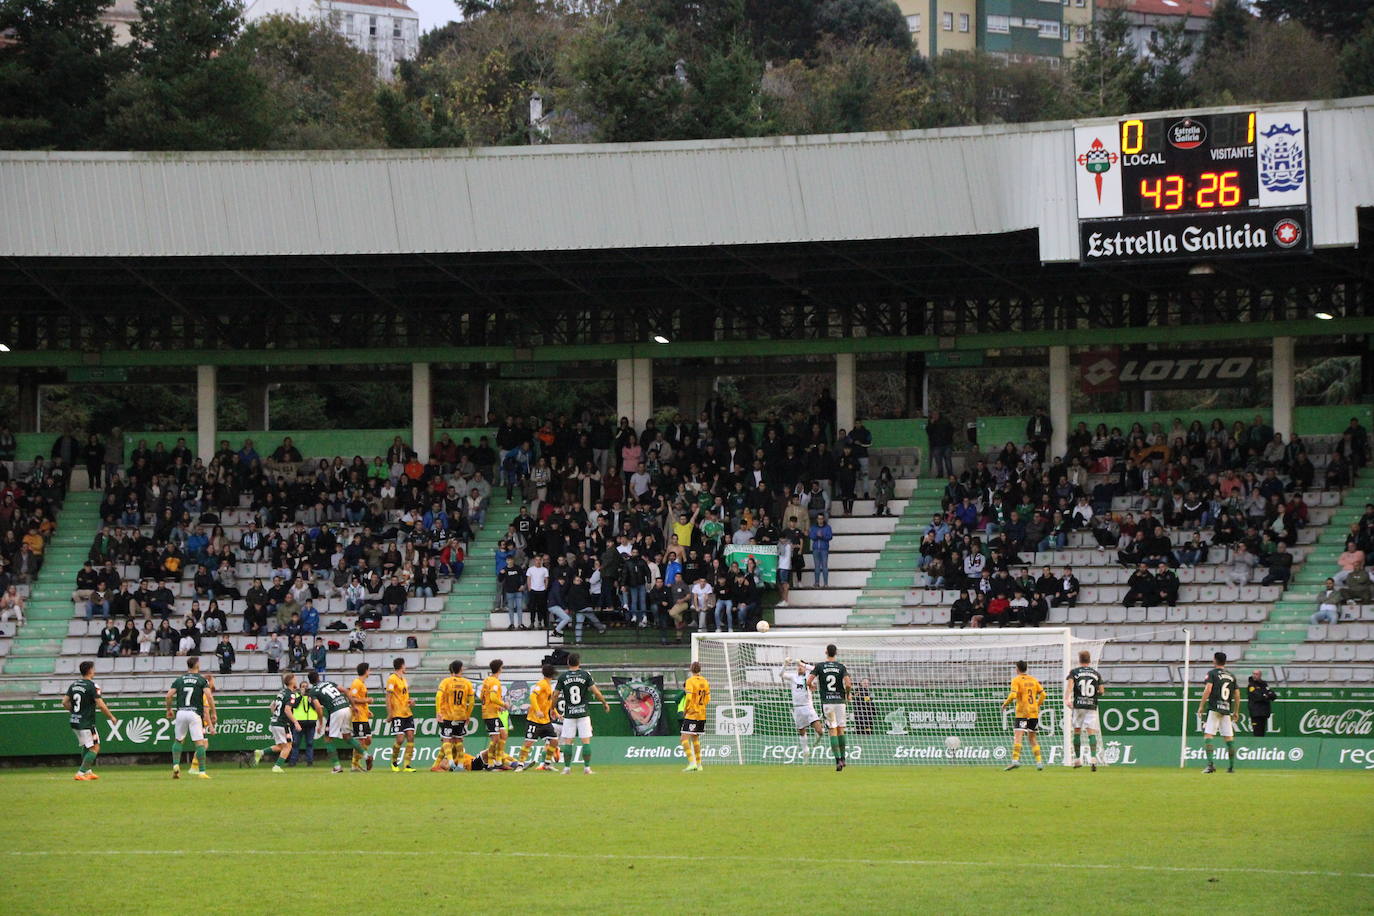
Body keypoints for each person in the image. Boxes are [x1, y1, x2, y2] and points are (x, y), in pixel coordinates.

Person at [553, 652, 610, 775]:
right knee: (586, 741)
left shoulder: (563, 677)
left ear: (568, 663)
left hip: (569, 714)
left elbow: (555, 695)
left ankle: (567, 768)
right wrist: (604, 703)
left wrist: (552, 708)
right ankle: (587, 768)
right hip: (583, 713)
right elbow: (596, 692)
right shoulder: (585, 675)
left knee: (568, 741)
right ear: (579, 663)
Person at [304, 671, 371, 774]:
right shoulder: (329, 683)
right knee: (347, 736)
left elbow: (318, 707)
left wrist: (320, 722)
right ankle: (366, 756)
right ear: (318, 677)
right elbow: (346, 691)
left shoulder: (313, 691)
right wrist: (353, 706)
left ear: (310, 681)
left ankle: (337, 766)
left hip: (335, 711)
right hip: (345, 707)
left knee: (328, 739)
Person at [63, 660, 117, 781]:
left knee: (87, 746)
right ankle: (80, 773)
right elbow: (101, 705)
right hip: (86, 723)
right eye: (94, 668)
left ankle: (88, 771)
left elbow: (64, 702)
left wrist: (75, 712)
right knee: (95, 748)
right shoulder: (93, 686)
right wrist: (111, 717)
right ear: (90, 670)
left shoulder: (74, 685)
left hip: (75, 721)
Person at [165, 657, 215, 780]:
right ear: (197, 665)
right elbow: (209, 696)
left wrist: (169, 709)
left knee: (178, 741)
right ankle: (201, 771)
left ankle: (176, 765)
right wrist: (214, 712)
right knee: (199, 743)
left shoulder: (180, 680)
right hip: (194, 713)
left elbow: (168, 695)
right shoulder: (201, 680)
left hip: (181, 712)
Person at [807, 643, 852, 771]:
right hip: (840, 702)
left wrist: (812, 687)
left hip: (827, 702)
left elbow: (808, 681)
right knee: (841, 729)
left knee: (832, 730)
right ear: (835, 653)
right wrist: (847, 695)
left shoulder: (819, 666)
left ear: (826, 652)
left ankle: (837, 760)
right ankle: (843, 758)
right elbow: (848, 684)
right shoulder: (841, 666)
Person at [1198, 651, 1239, 774]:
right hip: (1226, 709)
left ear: (1215, 660)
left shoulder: (1212, 674)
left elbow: (1208, 689)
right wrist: (1236, 711)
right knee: (1228, 738)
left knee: (1208, 736)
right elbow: (1237, 694)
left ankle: (1210, 765)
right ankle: (1231, 767)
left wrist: (1201, 706)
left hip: (1215, 708)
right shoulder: (1231, 676)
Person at [514, 664, 561, 772]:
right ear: (552, 674)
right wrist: (537, 710)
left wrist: (555, 712)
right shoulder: (541, 684)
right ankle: (520, 765)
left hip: (545, 721)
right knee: (528, 742)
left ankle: (547, 764)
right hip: (534, 720)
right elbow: (532, 696)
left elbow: (548, 702)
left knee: (554, 741)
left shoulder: (548, 685)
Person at [1001, 660, 1045, 772]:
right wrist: (1037, 704)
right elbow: (1043, 694)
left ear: (1017, 669)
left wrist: (1005, 704)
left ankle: (1015, 760)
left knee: (1018, 736)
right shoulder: (1033, 680)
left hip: (1022, 713)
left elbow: (1013, 695)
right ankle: (1039, 762)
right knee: (1032, 738)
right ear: (1026, 668)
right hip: (1033, 713)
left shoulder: (1016, 680)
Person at [1065, 650, 1105, 771]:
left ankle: (1077, 760)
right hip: (1091, 705)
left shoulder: (1074, 672)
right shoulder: (1096, 674)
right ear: (1089, 660)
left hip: (1078, 706)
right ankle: (1093, 758)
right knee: (1091, 732)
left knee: (1077, 731)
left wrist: (1067, 699)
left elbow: (1070, 686)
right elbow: (1102, 691)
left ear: (1079, 660)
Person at [433, 660, 476, 772]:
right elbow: (471, 702)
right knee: (459, 740)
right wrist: (468, 715)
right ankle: (460, 765)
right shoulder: (467, 683)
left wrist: (438, 711)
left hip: (448, 715)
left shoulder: (446, 682)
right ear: (461, 669)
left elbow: (438, 696)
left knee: (446, 740)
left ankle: (451, 762)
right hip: (461, 715)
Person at [252, 673, 300, 772]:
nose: (296, 680)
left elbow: (272, 705)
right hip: (282, 724)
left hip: (275, 722)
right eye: (295, 679)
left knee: (281, 746)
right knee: (288, 746)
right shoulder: (291, 695)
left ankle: (260, 752)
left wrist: (275, 716)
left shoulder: (281, 693)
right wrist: (295, 722)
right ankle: (277, 767)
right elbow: (287, 710)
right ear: (291, 681)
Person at [782, 657, 825, 761]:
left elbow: (816, 669)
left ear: (805, 668)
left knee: (820, 731)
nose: (799, 667)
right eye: (798, 666)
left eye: (801, 666)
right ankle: (805, 750)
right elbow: (781, 674)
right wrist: (785, 664)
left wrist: (802, 663)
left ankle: (817, 738)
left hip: (808, 707)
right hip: (797, 708)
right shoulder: (793, 677)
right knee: (801, 731)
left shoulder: (810, 676)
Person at [386, 657, 417, 772]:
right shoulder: (392, 679)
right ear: (401, 666)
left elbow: (404, 696)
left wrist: (410, 702)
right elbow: (388, 697)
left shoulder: (404, 679)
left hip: (407, 712)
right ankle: (394, 762)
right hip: (397, 713)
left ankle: (407, 765)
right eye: (405, 665)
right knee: (400, 739)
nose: (406, 667)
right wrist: (390, 713)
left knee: (410, 736)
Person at [679, 661, 711, 772]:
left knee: (683, 738)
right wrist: (700, 707)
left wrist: (686, 709)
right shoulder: (705, 681)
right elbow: (708, 699)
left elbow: (688, 698)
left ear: (691, 669)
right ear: (700, 670)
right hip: (702, 714)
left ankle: (692, 763)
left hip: (692, 714)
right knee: (695, 738)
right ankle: (699, 765)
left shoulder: (690, 681)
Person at [480, 659, 509, 769]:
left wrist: (498, 706)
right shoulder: (495, 682)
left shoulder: (487, 680)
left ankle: (498, 761)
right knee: (495, 739)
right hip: (490, 714)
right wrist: (503, 704)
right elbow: (492, 697)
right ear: (500, 668)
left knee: (504, 735)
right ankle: (490, 763)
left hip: (493, 712)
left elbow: (483, 696)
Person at [347, 662, 375, 772]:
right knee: (361, 741)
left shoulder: (362, 684)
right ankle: (355, 765)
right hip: (358, 717)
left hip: (364, 716)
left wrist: (368, 710)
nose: (370, 672)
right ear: (366, 670)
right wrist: (367, 700)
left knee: (368, 740)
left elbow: (360, 700)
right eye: (369, 669)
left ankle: (357, 762)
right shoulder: (356, 683)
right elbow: (352, 699)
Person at [1246, 669, 1277, 738]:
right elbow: (1257, 696)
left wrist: (1266, 695)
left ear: (1260, 675)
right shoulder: (1251, 685)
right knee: (1257, 732)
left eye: (1256, 674)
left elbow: (1273, 695)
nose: (1254, 675)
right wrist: (1266, 695)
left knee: (1262, 732)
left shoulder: (1264, 684)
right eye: (1253, 674)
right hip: (1256, 713)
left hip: (1264, 712)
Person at [808, 513, 833, 587]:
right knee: (817, 567)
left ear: (823, 519)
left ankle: (825, 583)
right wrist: (817, 535)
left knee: (824, 566)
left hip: (824, 549)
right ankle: (817, 583)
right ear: (817, 519)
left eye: (821, 518)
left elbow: (830, 537)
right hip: (816, 549)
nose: (820, 520)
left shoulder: (828, 527)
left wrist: (822, 536)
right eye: (819, 519)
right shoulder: (814, 527)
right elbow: (811, 536)